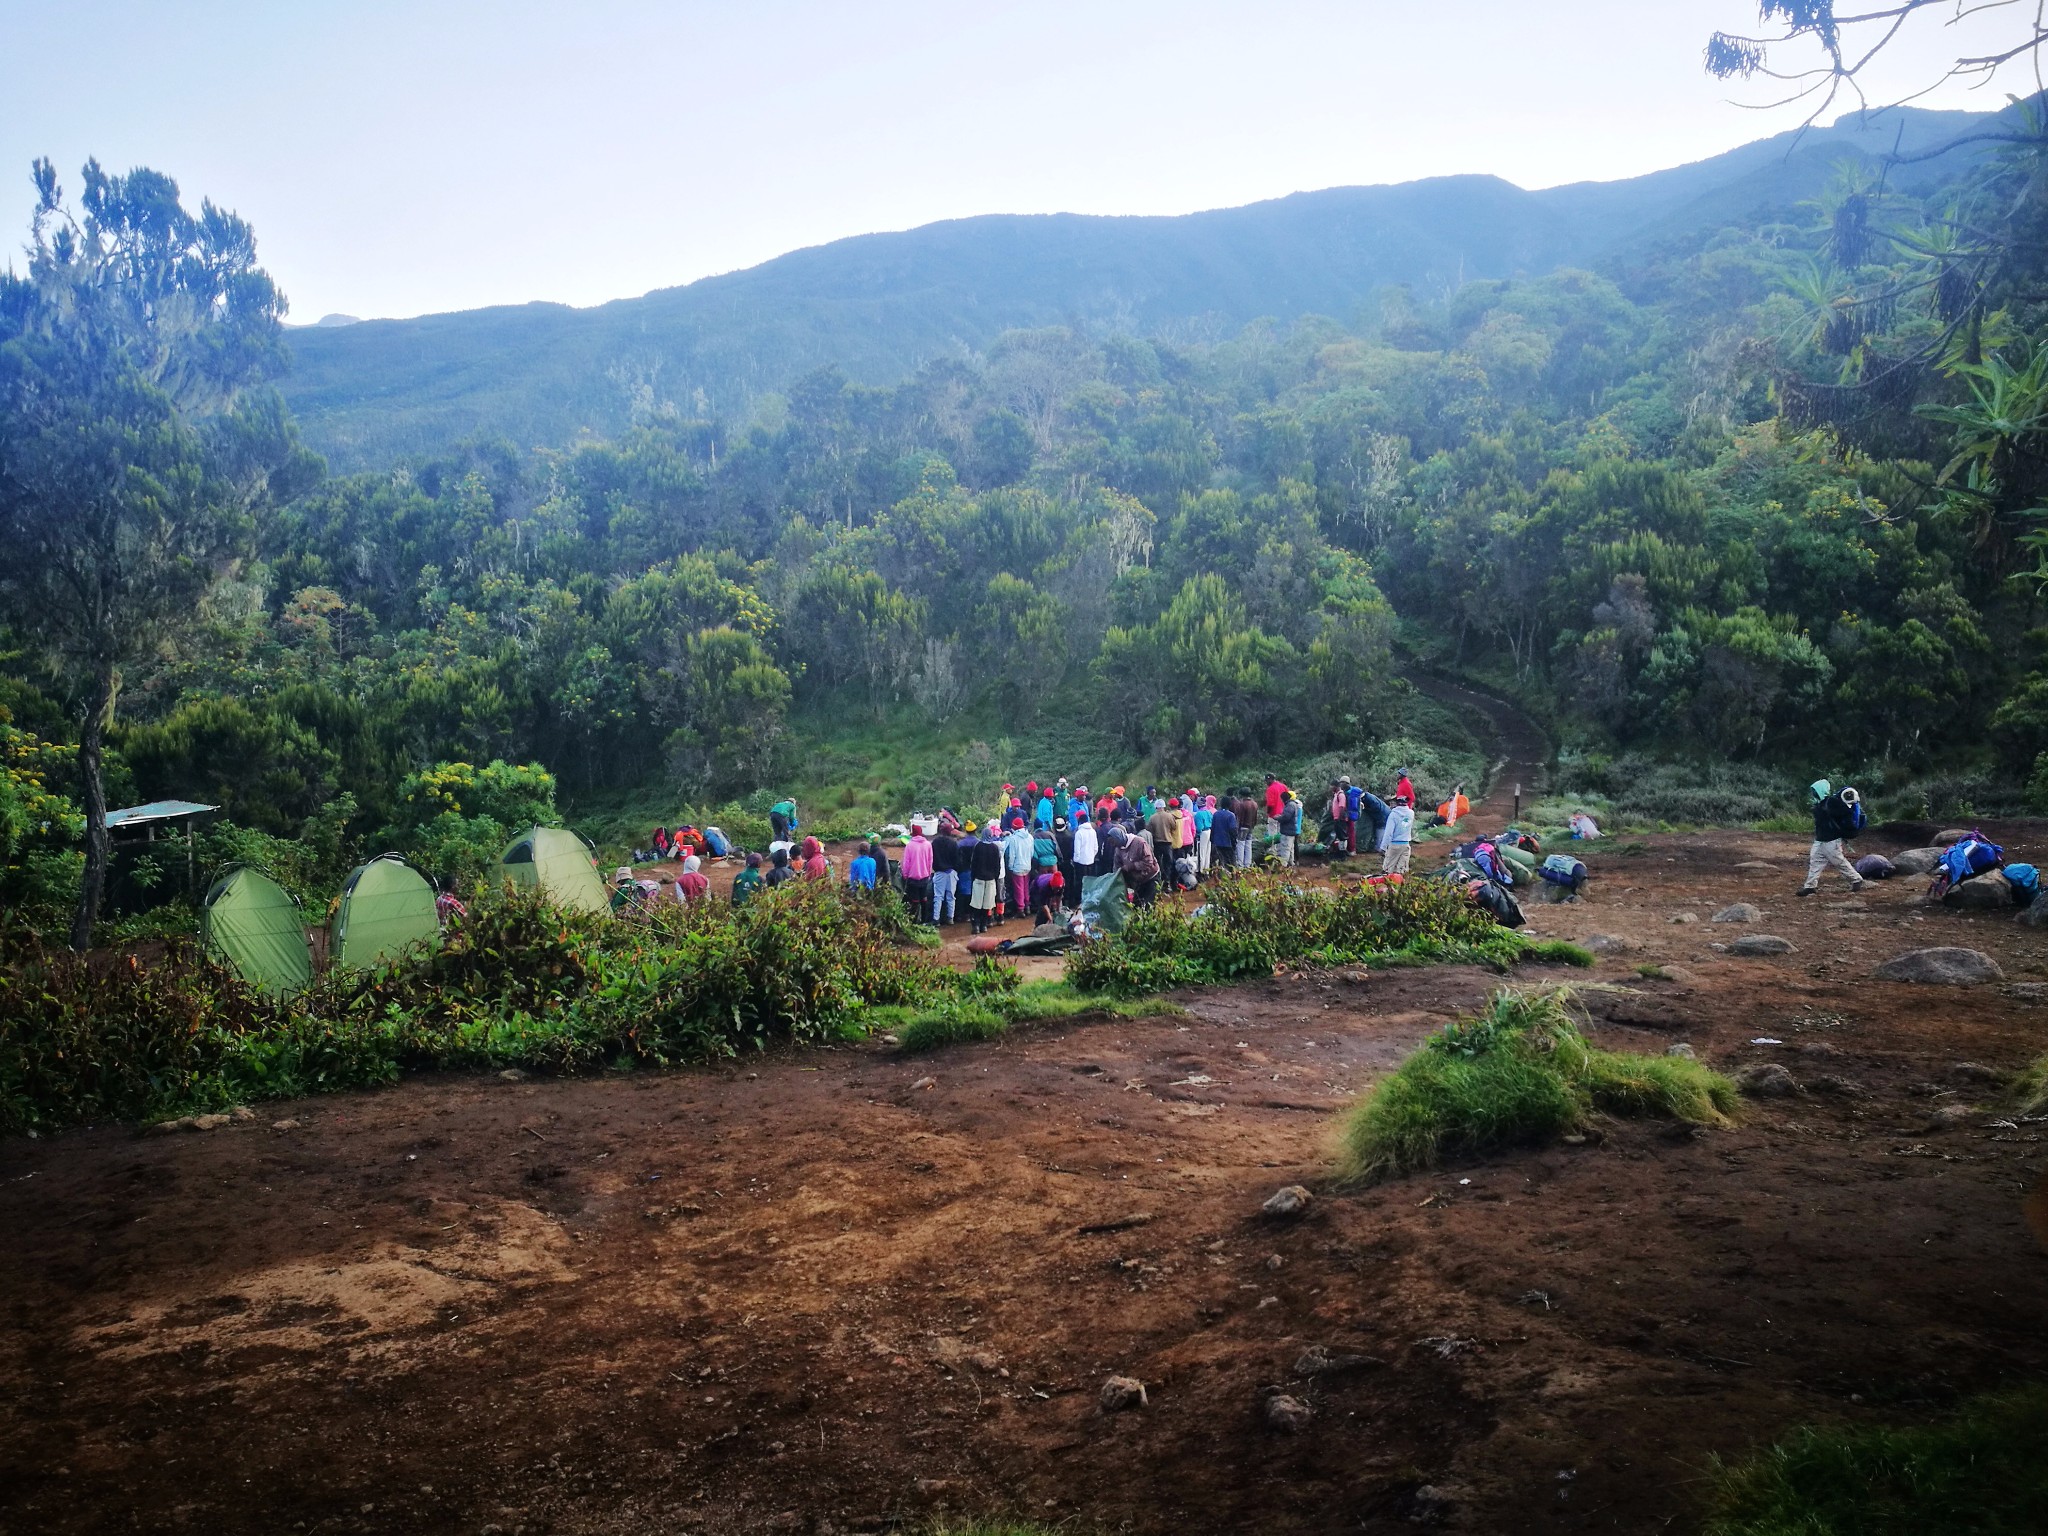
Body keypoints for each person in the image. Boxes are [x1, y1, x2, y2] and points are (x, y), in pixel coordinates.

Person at [1799, 780, 1869, 896]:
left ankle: (1856, 879)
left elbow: (1845, 812)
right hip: (1821, 839)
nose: (1813, 793)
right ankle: (1810, 886)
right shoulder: (1822, 803)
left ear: (1820, 790)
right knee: (1815, 862)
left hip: (1831, 840)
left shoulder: (1831, 802)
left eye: (1815, 790)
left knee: (1839, 862)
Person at [968, 822, 1005, 934]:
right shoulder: (995, 848)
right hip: (990, 880)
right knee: (987, 904)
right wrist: (995, 877)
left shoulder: (978, 846)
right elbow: (997, 865)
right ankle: (984, 925)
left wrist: (973, 877)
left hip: (978, 879)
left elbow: (973, 864)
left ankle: (976, 926)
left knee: (976, 903)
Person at [1118, 823, 1160, 907]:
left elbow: (1148, 861)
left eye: (1113, 841)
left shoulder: (1139, 842)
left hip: (1151, 876)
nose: (1112, 844)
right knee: (1137, 905)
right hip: (1138, 880)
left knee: (1149, 904)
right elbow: (1117, 866)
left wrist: (1131, 866)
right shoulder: (1118, 848)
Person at [1002, 818, 1035, 922]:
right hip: (1027, 865)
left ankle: (1020, 909)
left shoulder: (1013, 839)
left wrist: (1010, 867)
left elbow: (1012, 855)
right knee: (1026, 887)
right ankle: (1027, 906)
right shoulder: (1030, 837)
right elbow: (1032, 852)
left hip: (1017, 866)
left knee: (1018, 889)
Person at [900, 825, 934, 916]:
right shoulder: (928, 844)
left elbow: (906, 863)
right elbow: (930, 861)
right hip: (925, 877)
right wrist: (929, 873)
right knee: (924, 899)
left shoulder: (909, 845)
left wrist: (905, 875)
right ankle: (924, 920)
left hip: (913, 878)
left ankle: (913, 921)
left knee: (914, 900)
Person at [929, 821, 959, 925]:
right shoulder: (953, 843)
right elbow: (957, 859)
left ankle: (936, 919)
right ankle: (950, 918)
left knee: (938, 896)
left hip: (939, 872)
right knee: (951, 896)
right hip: (951, 872)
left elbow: (932, 858)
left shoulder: (935, 842)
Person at [1146, 796, 1179, 880]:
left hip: (1157, 843)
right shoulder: (1169, 816)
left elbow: (1149, 831)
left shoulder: (1152, 818)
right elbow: (1174, 827)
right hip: (1167, 843)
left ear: (1156, 807)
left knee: (1158, 864)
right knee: (1168, 863)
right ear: (1164, 806)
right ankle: (1167, 881)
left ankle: (1159, 881)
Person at [1382, 795, 1415, 877]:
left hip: (1394, 844)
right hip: (1406, 844)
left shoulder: (1393, 815)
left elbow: (1388, 833)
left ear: (1396, 803)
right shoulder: (1411, 813)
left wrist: (1383, 847)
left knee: (1388, 870)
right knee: (1401, 870)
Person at [1208, 794, 1239, 873]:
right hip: (1228, 843)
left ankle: (1221, 875)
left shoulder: (1216, 814)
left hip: (1217, 842)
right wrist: (1234, 842)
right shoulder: (1231, 815)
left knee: (1220, 861)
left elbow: (1213, 828)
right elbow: (1233, 830)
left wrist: (1212, 840)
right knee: (1231, 862)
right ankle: (1232, 877)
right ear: (1229, 804)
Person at [1329, 779, 1354, 857]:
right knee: (1340, 836)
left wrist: (1340, 818)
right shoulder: (1336, 794)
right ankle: (1340, 852)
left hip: (1340, 819)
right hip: (1337, 818)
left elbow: (1342, 807)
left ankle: (1343, 854)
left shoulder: (1341, 795)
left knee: (1342, 836)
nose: (1330, 788)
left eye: (1332, 786)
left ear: (1336, 786)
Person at [1277, 791, 1301, 866]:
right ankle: (1291, 863)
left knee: (1285, 849)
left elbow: (1286, 817)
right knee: (1290, 849)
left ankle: (1283, 865)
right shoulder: (1294, 804)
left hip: (1287, 831)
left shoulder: (1289, 805)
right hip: (1292, 830)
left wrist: (1278, 818)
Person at [1196, 794, 1216, 873]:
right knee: (1208, 851)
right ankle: (1206, 870)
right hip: (1210, 831)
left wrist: (1197, 834)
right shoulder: (1208, 812)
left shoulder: (1199, 814)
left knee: (1202, 852)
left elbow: (1199, 827)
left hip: (1203, 832)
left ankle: (1200, 870)